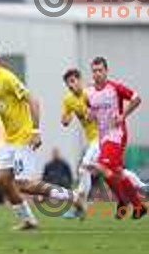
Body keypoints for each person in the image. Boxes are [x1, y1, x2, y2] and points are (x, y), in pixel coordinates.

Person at [0, 43, 85, 231]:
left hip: (24, 136)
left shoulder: (7, 78)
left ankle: (73, 196)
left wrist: (35, 131)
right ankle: (28, 220)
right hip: (10, 139)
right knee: (2, 181)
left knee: (23, 184)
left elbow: (33, 100)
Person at [61, 67, 147, 209]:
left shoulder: (90, 92)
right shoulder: (68, 99)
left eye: (73, 81)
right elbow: (65, 119)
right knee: (115, 170)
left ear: (80, 80)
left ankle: (81, 204)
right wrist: (66, 118)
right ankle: (141, 187)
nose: (71, 85)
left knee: (84, 168)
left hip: (102, 137)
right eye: (68, 83)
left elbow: (103, 108)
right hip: (93, 140)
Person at [85, 57, 146, 219]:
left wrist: (123, 115)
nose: (97, 74)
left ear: (106, 71)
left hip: (117, 135)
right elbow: (91, 112)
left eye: (100, 70)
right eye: (94, 71)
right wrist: (89, 115)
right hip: (103, 137)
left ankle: (124, 201)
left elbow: (136, 98)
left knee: (100, 167)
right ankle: (139, 207)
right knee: (117, 172)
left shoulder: (115, 88)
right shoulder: (89, 92)